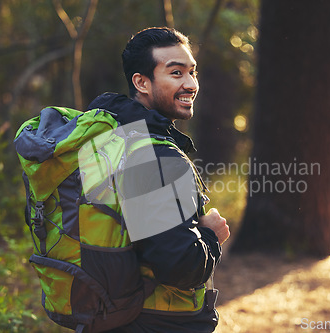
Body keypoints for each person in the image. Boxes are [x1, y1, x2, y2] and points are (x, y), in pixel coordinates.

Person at [86, 27, 230, 332]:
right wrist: (212, 236)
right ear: (142, 82)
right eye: (176, 73)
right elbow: (180, 267)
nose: (191, 84)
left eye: (192, 72)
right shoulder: (152, 155)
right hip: (157, 322)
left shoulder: (110, 139)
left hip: (112, 314)